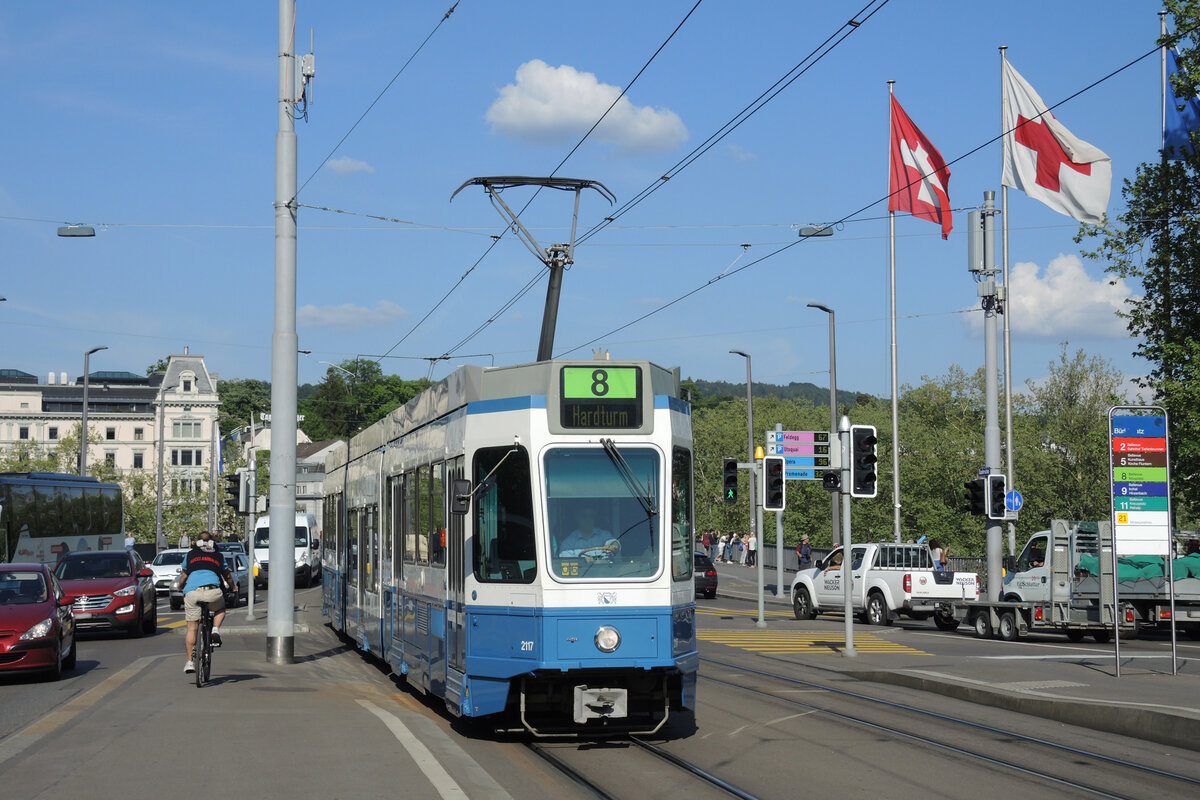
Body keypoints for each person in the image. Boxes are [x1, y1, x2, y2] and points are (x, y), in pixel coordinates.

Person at [175, 531, 236, 674]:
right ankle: (215, 629)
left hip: (192, 593)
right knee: (220, 609)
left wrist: (180, 587)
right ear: (212, 542)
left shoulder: (190, 555)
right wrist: (233, 587)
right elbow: (227, 575)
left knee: (192, 628)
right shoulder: (218, 556)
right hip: (212, 591)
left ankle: (189, 662)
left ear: (196, 542)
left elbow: (184, 575)